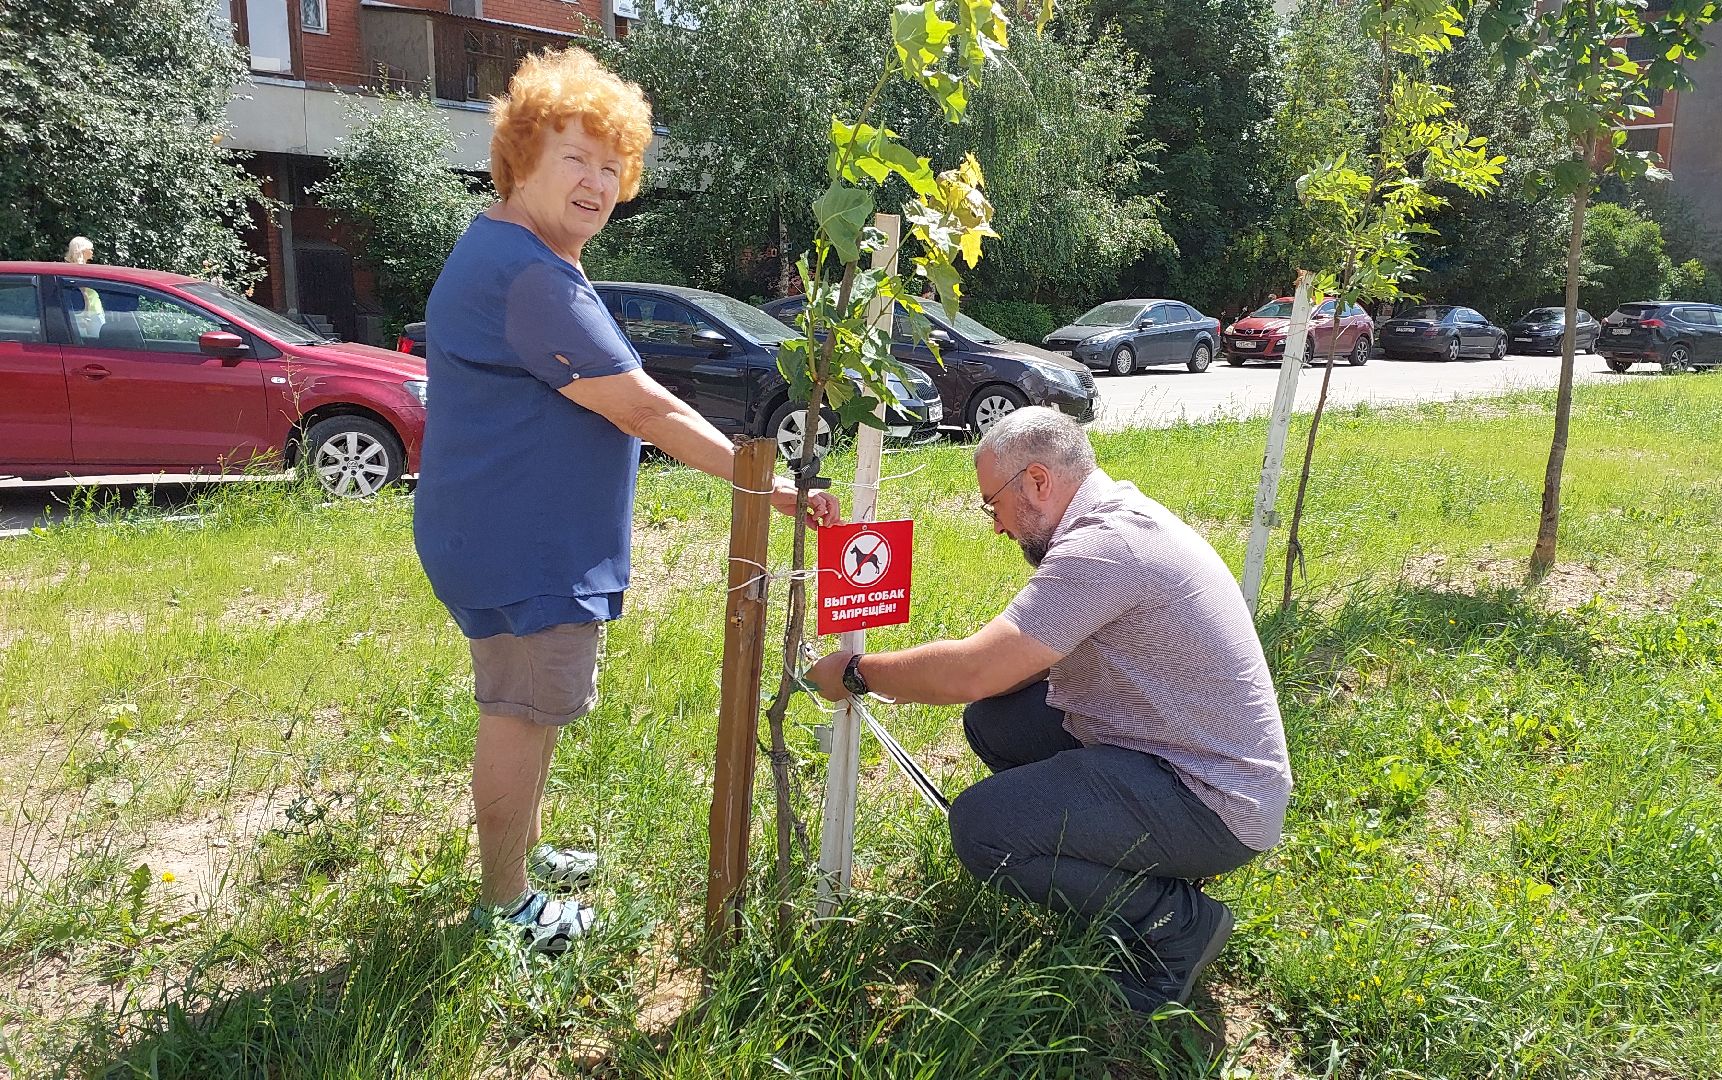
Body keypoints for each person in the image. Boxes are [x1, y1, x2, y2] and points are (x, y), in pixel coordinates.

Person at [412, 47, 839, 954]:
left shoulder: (514, 252)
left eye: (613, 166)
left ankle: (522, 851)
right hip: (523, 544)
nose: (597, 182)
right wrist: (758, 481)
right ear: (521, 155)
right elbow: (643, 404)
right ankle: (507, 905)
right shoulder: (527, 272)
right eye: (575, 157)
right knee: (522, 709)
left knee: (531, 702)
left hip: (508, 533)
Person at [806, 408, 1291, 1012]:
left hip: (1214, 799)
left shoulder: (1104, 549)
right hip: (1178, 755)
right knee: (996, 721)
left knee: (982, 829)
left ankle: (1175, 924)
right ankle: (1115, 867)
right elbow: (1019, 666)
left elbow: (976, 668)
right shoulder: (1117, 520)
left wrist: (855, 672)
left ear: (1037, 479)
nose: (997, 527)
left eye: (993, 505)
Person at [65, 237, 105, 338]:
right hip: (91, 314)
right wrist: (86, 314)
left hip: (92, 312)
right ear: (82, 250)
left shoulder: (75, 268)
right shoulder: (79, 270)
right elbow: (84, 293)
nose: (92, 251)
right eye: (90, 249)